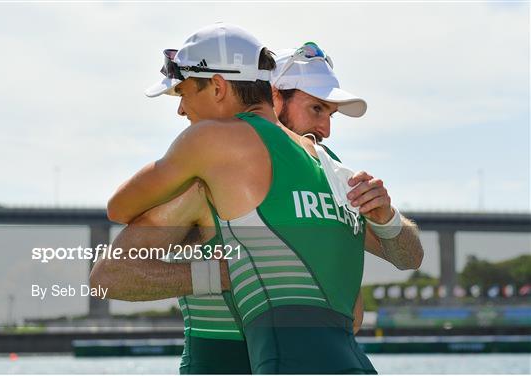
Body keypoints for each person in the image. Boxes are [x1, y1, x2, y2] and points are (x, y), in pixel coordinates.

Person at [93, 24, 423, 373]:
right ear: (273, 94)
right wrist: (224, 273)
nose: (326, 129)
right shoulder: (201, 182)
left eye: (330, 114)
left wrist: (386, 217)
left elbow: (398, 267)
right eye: (316, 109)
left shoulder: (331, 172)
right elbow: (110, 275)